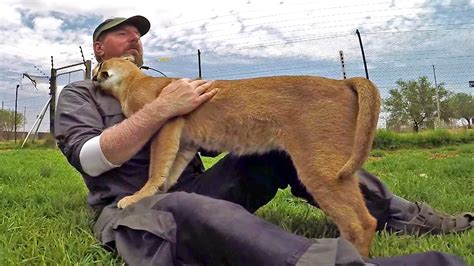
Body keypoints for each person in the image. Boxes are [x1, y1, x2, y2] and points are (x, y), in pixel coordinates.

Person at [54, 15, 472, 266]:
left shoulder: (167, 84)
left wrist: (224, 114)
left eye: (138, 36)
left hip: (198, 185)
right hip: (133, 209)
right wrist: (160, 110)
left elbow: (211, 143)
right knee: (186, 206)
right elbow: (89, 159)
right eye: (122, 34)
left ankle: (413, 217)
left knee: (292, 151)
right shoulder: (78, 94)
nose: (134, 40)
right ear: (98, 50)